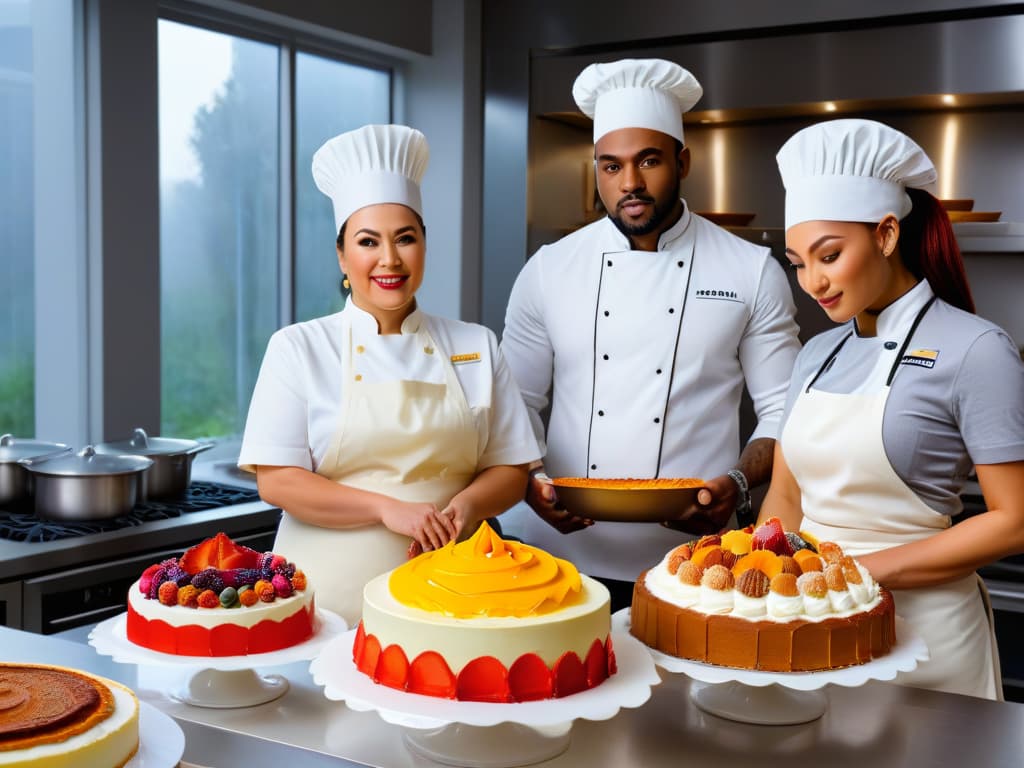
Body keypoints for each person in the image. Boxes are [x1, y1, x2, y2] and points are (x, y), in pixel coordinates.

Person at [500, 59, 801, 609]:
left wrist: (736, 483)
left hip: (694, 563)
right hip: (556, 557)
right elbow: (511, 405)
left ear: (682, 161)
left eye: (649, 162)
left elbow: (785, 410)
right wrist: (530, 484)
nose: (630, 184)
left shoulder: (750, 269)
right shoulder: (549, 268)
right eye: (610, 167)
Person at [760, 118, 1024, 699]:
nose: (813, 282)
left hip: (927, 642)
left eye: (829, 255)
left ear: (885, 234)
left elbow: (1015, 519)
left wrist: (858, 573)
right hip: (816, 626)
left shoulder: (977, 349)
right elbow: (786, 496)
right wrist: (760, 586)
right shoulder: (815, 354)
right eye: (798, 262)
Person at [239, 125, 541, 625]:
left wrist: (463, 509)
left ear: (424, 245)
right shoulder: (299, 347)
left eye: (406, 238)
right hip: (327, 603)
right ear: (341, 255)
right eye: (367, 241)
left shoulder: (475, 344)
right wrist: (386, 509)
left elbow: (511, 469)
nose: (390, 259)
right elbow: (277, 482)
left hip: (457, 594)